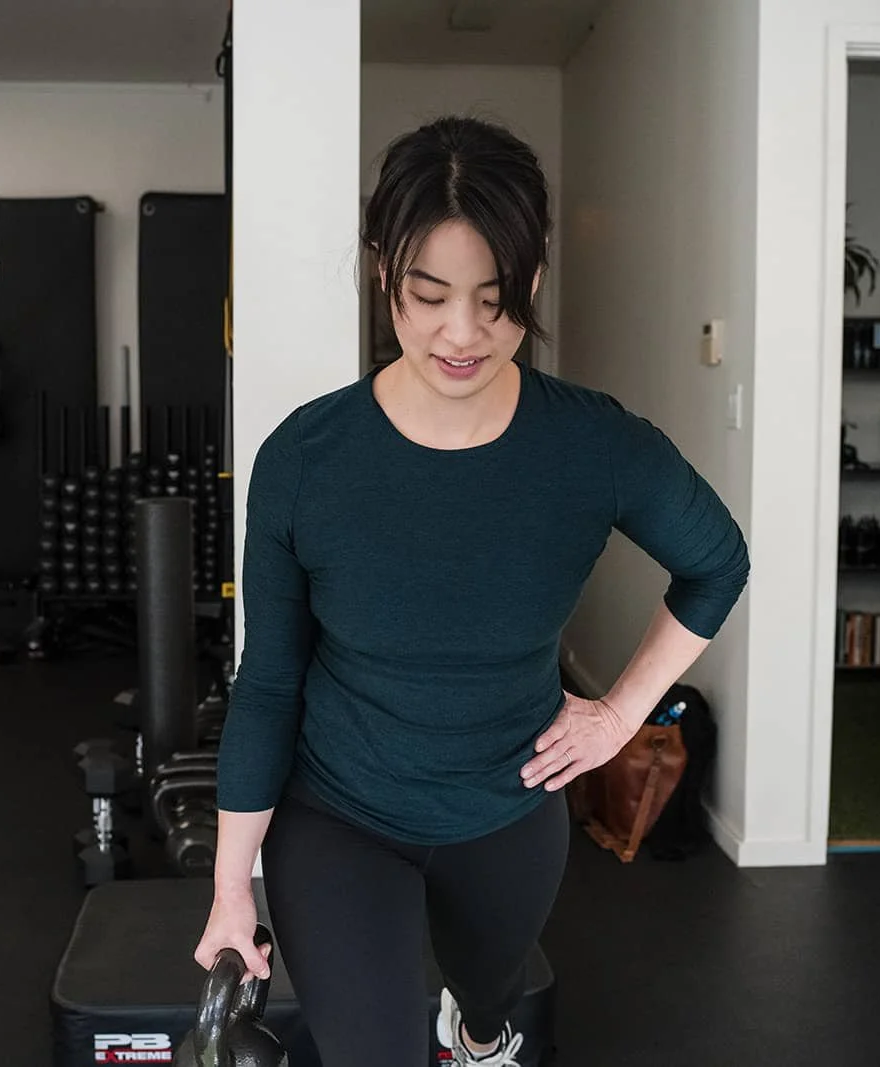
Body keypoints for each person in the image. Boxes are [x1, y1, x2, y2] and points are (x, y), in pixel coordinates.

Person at [195, 115, 750, 1066]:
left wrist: (618, 716)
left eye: (495, 300)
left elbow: (717, 561)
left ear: (532, 282)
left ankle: (478, 1031)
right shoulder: (303, 459)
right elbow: (271, 682)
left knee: (491, 995)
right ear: (384, 275)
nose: (462, 333)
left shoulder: (593, 445)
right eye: (430, 294)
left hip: (508, 806)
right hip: (338, 813)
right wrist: (229, 885)